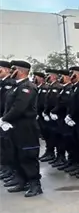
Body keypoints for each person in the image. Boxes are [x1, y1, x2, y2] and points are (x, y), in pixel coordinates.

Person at [1, 60, 43, 197]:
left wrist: (4, 119)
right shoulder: (16, 87)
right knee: (17, 154)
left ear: (20, 71)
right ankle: (21, 180)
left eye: (13, 69)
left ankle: (35, 185)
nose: (10, 71)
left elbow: (19, 108)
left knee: (28, 155)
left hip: (26, 128)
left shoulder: (27, 87)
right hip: (15, 126)